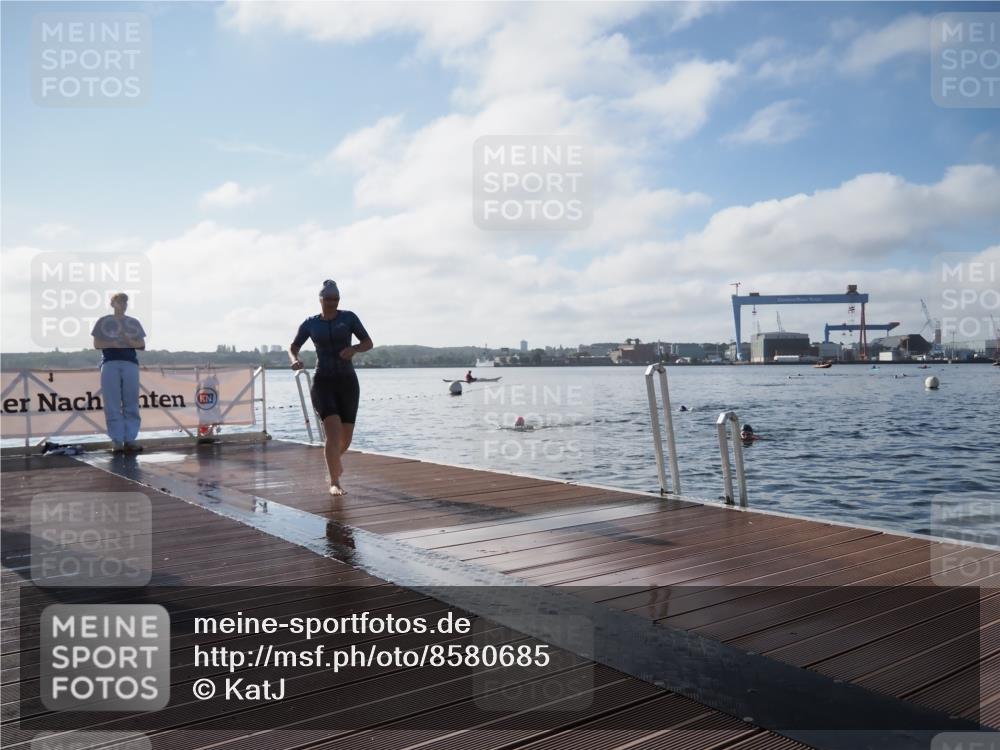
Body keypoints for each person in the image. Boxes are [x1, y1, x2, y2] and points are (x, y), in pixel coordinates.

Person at [289, 280, 373, 496]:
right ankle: (334, 482)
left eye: (336, 299)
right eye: (329, 299)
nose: (333, 303)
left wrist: (354, 348)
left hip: (347, 383)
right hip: (323, 382)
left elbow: (368, 342)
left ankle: (333, 463)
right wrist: (294, 360)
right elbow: (293, 347)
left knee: (346, 439)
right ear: (321, 299)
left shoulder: (349, 318)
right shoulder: (310, 324)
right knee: (333, 435)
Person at [91, 292, 146, 453]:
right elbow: (97, 344)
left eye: (125, 302)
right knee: (112, 403)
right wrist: (114, 343)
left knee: (131, 402)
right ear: (112, 304)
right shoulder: (103, 321)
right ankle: (117, 441)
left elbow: (141, 345)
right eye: (119, 302)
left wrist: (127, 340)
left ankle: (130, 439)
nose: (123, 305)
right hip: (110, 363)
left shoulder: (133, 322)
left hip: (130, 363)